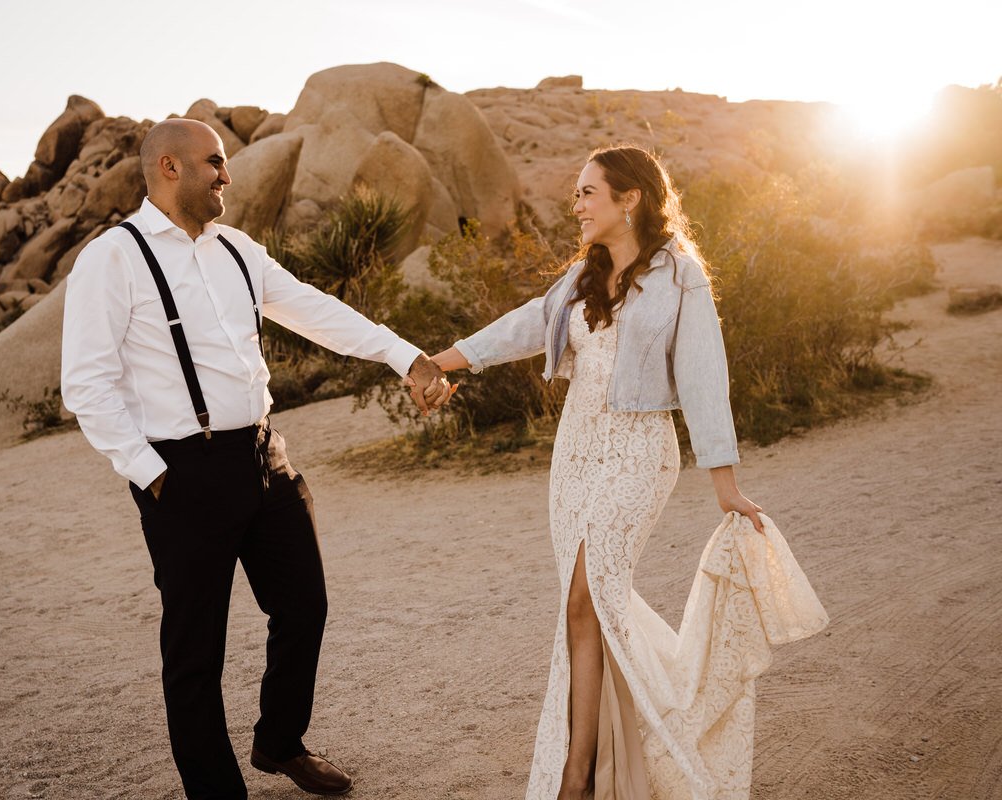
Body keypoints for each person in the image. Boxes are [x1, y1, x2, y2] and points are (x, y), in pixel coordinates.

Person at [61, 118, 450, 800]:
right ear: (170, 167)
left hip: (266, 456)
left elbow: (315, 310)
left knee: (305, 607)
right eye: (214, 162)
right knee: (195, 654)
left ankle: (279, 743)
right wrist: (152, 477)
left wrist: (404, 355)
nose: (227, 175)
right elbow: (86, 385)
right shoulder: (113, 258)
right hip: (180, 472)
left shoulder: (237, 250)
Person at [430, 146, 765, 800]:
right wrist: (444, 362)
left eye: (587, 193)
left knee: (589, 597)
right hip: (577, 453)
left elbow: (703, 379)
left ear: (629, 197)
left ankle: (576, 780)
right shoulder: (582, 277)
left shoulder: (679, 276)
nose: (576, 205)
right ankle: (591, 767)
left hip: (642, 451)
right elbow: (525, 325)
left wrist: (725, 485)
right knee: (584, 610)